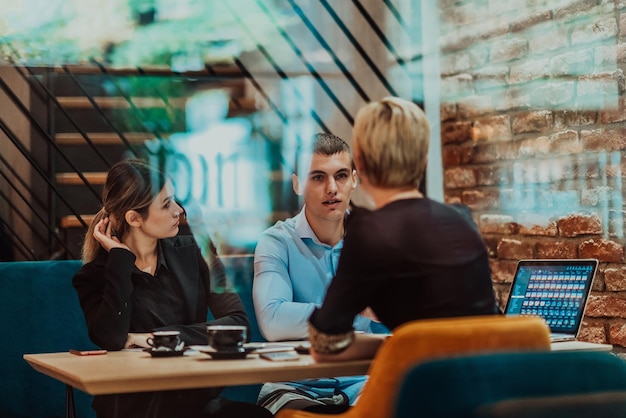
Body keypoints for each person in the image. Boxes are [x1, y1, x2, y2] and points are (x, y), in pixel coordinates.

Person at [72, 159, 272, 418]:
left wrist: (157, 338)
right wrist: (121, 260)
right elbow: (110, 338)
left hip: (194, 402)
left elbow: (238, 324)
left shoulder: (196, 250)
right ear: (134, 217)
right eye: (166, 205)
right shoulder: (93, 277)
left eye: (174, 200)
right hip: (134, 410)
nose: (179, 210)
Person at [308, 97, 499, 362]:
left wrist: (397, 345)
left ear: (359, 165)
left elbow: (325, 344)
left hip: (428, 396)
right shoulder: (461, 218)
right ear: (423, 160)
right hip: (492, 390)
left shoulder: (369, 232)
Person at [253, 133, 385, 414]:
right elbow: (273, 320)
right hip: (294, 386)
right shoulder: (276, 241)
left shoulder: (376, 241)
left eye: (340, 176)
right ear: (298, 183)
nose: (331, 188)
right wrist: (355, 311)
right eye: (317, 177)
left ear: (354, 180)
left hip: (365, 382)